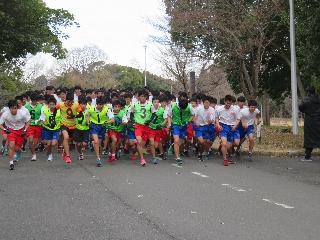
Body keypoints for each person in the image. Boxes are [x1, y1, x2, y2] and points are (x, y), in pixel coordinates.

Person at [0, 100, 30, 170]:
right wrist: (4, 129)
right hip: (11, 130)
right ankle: (11, 163)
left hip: (20, 131)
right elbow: (0, 124)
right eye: (12, 108)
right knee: (11, 146)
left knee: (16, 149)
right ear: (9, 108)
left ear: (17, 107)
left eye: (15, 108)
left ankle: (17, 151)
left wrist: (25, 130)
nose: (14, 110)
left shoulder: (22, 113)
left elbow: (28, 121)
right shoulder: (5, 114)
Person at [86, 96, 114, 167]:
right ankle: (98, 159)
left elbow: (112, 119)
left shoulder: (106, 109)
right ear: (96, 104)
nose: (100, 106)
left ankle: (93, 145)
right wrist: (88, 122)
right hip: (94, 126)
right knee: (96, 141)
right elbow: (86, 115)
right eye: (99, 104)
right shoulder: (91, 108)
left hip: (102, 127)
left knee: (98, 143)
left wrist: (106, 122)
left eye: (102, 104)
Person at [215, 95, 241, 166]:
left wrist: (235, 125)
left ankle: (229, 154)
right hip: (223, 127)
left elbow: (238, 119)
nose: (228, 105)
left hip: (232, 127)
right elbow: (216, 117)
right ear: (224, 102)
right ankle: (225, 159)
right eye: (227, 103)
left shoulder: (235, 109)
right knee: (224, 143)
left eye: (230, 103)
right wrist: (218, 124)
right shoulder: (219, 109)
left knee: (233, 144)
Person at [298, 86, 320, 161]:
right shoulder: (318, 99)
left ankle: (307, 155)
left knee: (309, 137)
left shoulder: (307, 101)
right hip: (318, 120)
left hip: (310, 122)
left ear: (308, 93)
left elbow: (300, 107)